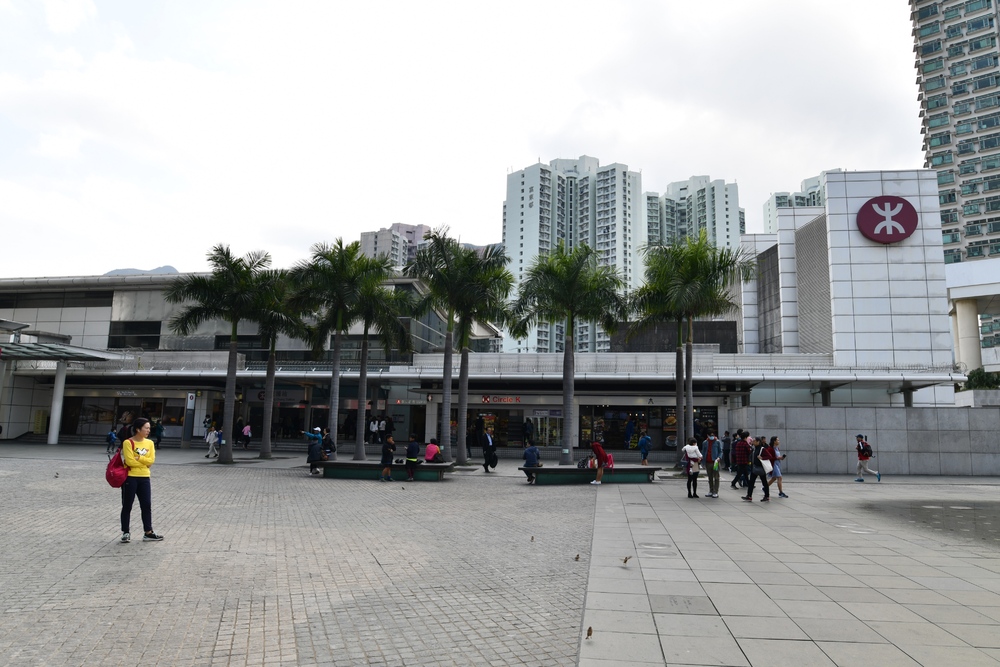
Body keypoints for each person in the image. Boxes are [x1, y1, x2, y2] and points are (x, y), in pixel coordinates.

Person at [119, 418, 163, 543]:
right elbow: (129, 461)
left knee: (146, 505)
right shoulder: (128, 443)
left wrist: (138, 458)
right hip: (130, 478)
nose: (149, 430)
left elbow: (151, 461)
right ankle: (125, 532)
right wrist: (143, 461)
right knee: (127, 505)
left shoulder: (149, 443)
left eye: (149, 428)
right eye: (146, 428)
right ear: (138, 429)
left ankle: (148, 532)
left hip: (145, 478)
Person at [743, 435, 776, 502]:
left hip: (760, 468)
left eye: (754, 441)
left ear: (758, 442)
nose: (753, 442)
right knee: (751, 482)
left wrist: (762, 458)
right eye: (753, 441)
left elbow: (769, 456)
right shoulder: (754, 449)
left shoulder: (762, 449)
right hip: (754, 468)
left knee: (764, 482)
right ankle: (749, 496)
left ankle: (766, 496)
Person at [700, 431, 722, 498]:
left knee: (716, 477)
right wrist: (702, 462)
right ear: (707, 435)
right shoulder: (705, 442)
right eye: (710, 435)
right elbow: (703, 452)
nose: (712, 437)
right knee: (710, 477)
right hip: (707, 462)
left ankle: (715, 491)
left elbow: (720, 451)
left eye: (713, 435)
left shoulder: (717, 442)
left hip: (715, 462)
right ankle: (711, 490)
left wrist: (719, 457)